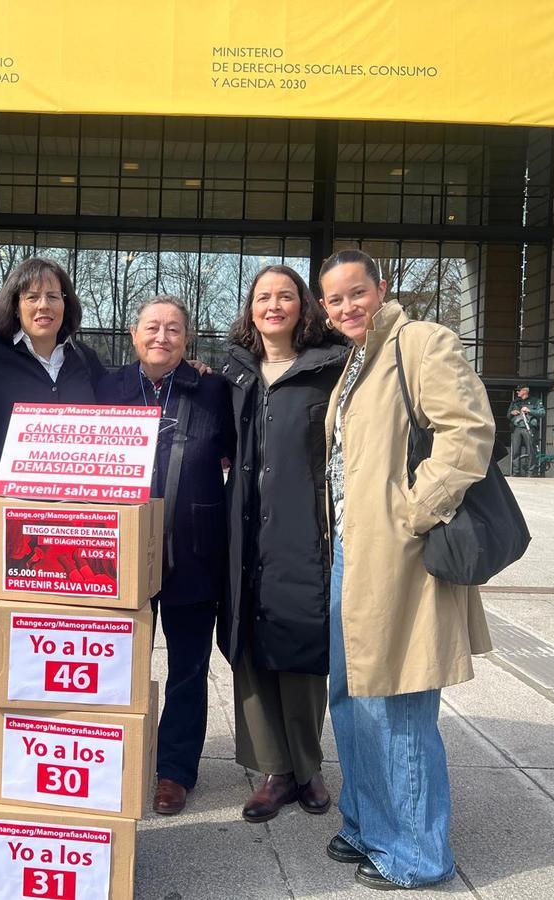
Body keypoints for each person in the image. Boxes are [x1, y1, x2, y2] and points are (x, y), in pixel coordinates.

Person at [318, 248, 495, 890]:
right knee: (352, 695)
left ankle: (418, 854)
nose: (346, 307)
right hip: (351, 554)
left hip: (401, 555)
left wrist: (414, 511)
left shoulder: (420, 341)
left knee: (397, 702)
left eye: (355, 293)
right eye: (334, 299)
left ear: (381, 288)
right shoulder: (356, 360)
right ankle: (368, 823)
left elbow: (468, 432)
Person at [0, 258, 107, 802]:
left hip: (63, 528)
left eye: (54, 295)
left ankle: (44, 743)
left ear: (68, 305)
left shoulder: (85, 361)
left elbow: (117, 413)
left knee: (50, 643)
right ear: (14, 304)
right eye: (32, 296)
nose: (44, 305)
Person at [218, 265, 348, 825]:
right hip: (243, 526)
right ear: (250, 308)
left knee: (301, 640)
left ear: (304, 306)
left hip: (304, 526)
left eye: (286, 296)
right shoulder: (231, 374)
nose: (274, 305)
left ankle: (307, 766)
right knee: (250, 642)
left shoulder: (331, 370)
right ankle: (272, 770)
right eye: (263, 296)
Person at [95, 295, 234, 815]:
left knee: (188, 668)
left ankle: (175, 770)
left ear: (188, 339)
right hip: (117, 555)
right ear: (134, 335)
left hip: (194, 552)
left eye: (174, 328)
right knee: (116, 665)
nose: (162, 336)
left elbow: (239, 457)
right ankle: (114, 761)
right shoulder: (107, 388)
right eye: (152, 327)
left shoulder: (212, 389)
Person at [508, 385, 544, 476]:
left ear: (524, 391)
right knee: (515, 450)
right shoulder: (515, 402)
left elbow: (542, 413)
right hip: (517, 428)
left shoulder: (535, 401)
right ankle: (516, 472)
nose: (517, 392)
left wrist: (529, 410)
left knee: (531, 450)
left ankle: (531, 472)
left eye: (519, 391)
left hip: (529, 428)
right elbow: (508, 415)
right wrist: (512, 413)